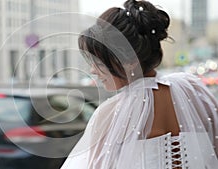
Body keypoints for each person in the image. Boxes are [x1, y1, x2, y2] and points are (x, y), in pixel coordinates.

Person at [61, 0, 218, 168]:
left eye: (99, 62)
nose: (93, 70)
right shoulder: (193, 91)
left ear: (129, 61)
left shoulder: (111, 114)